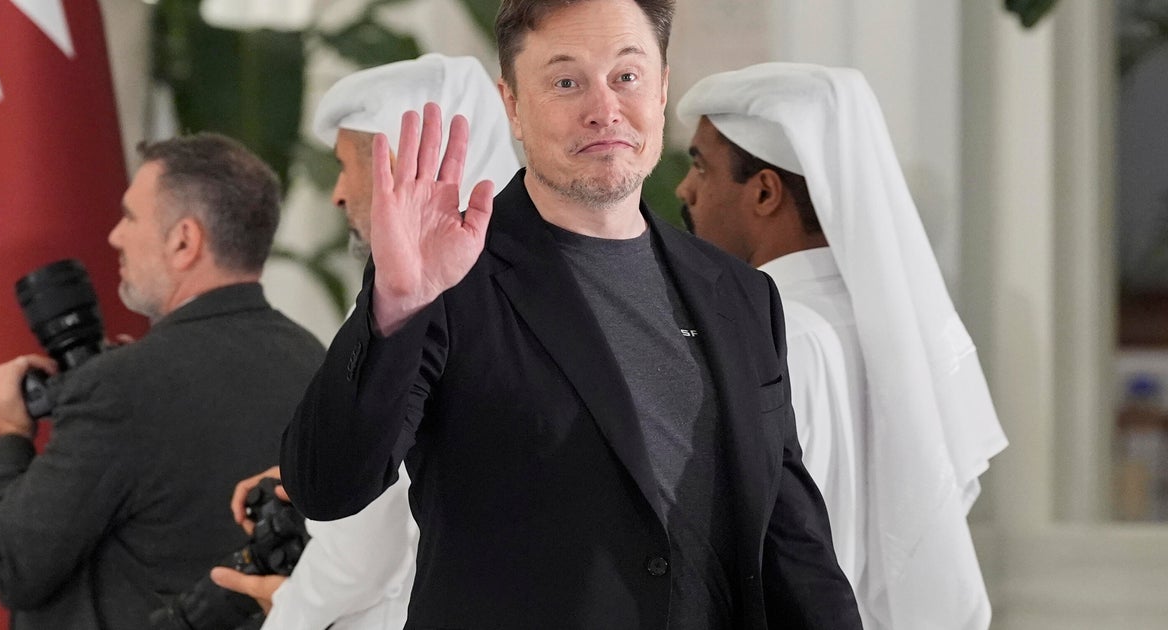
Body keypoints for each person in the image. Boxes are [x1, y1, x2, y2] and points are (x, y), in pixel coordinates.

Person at [280, 1, 862, 628]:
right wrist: (397, 304)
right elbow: (329, 487)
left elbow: (792, 542)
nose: (604, 108)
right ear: (512, 105)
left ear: (662, 88)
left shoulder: (741, 294)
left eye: (627, 76)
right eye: (565, 81)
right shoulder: (448, 276)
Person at [675, 62, 1009, 630]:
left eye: (701, 167)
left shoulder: (772, 337)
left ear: (764, 192)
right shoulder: (881, 327)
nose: (684, 189)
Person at [209, 53, 521, 630]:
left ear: (401, 167)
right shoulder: (535, 279)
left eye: (345, 166)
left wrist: (287, 615)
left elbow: (358, 552)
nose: (337, 193)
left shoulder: (420, 301)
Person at [0, 133, 327, 630]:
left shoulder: (121, 386)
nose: (115, 236)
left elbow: (12, 565)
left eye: (130, 217)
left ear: (184, 241)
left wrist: (12, 434)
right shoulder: (315, 361)